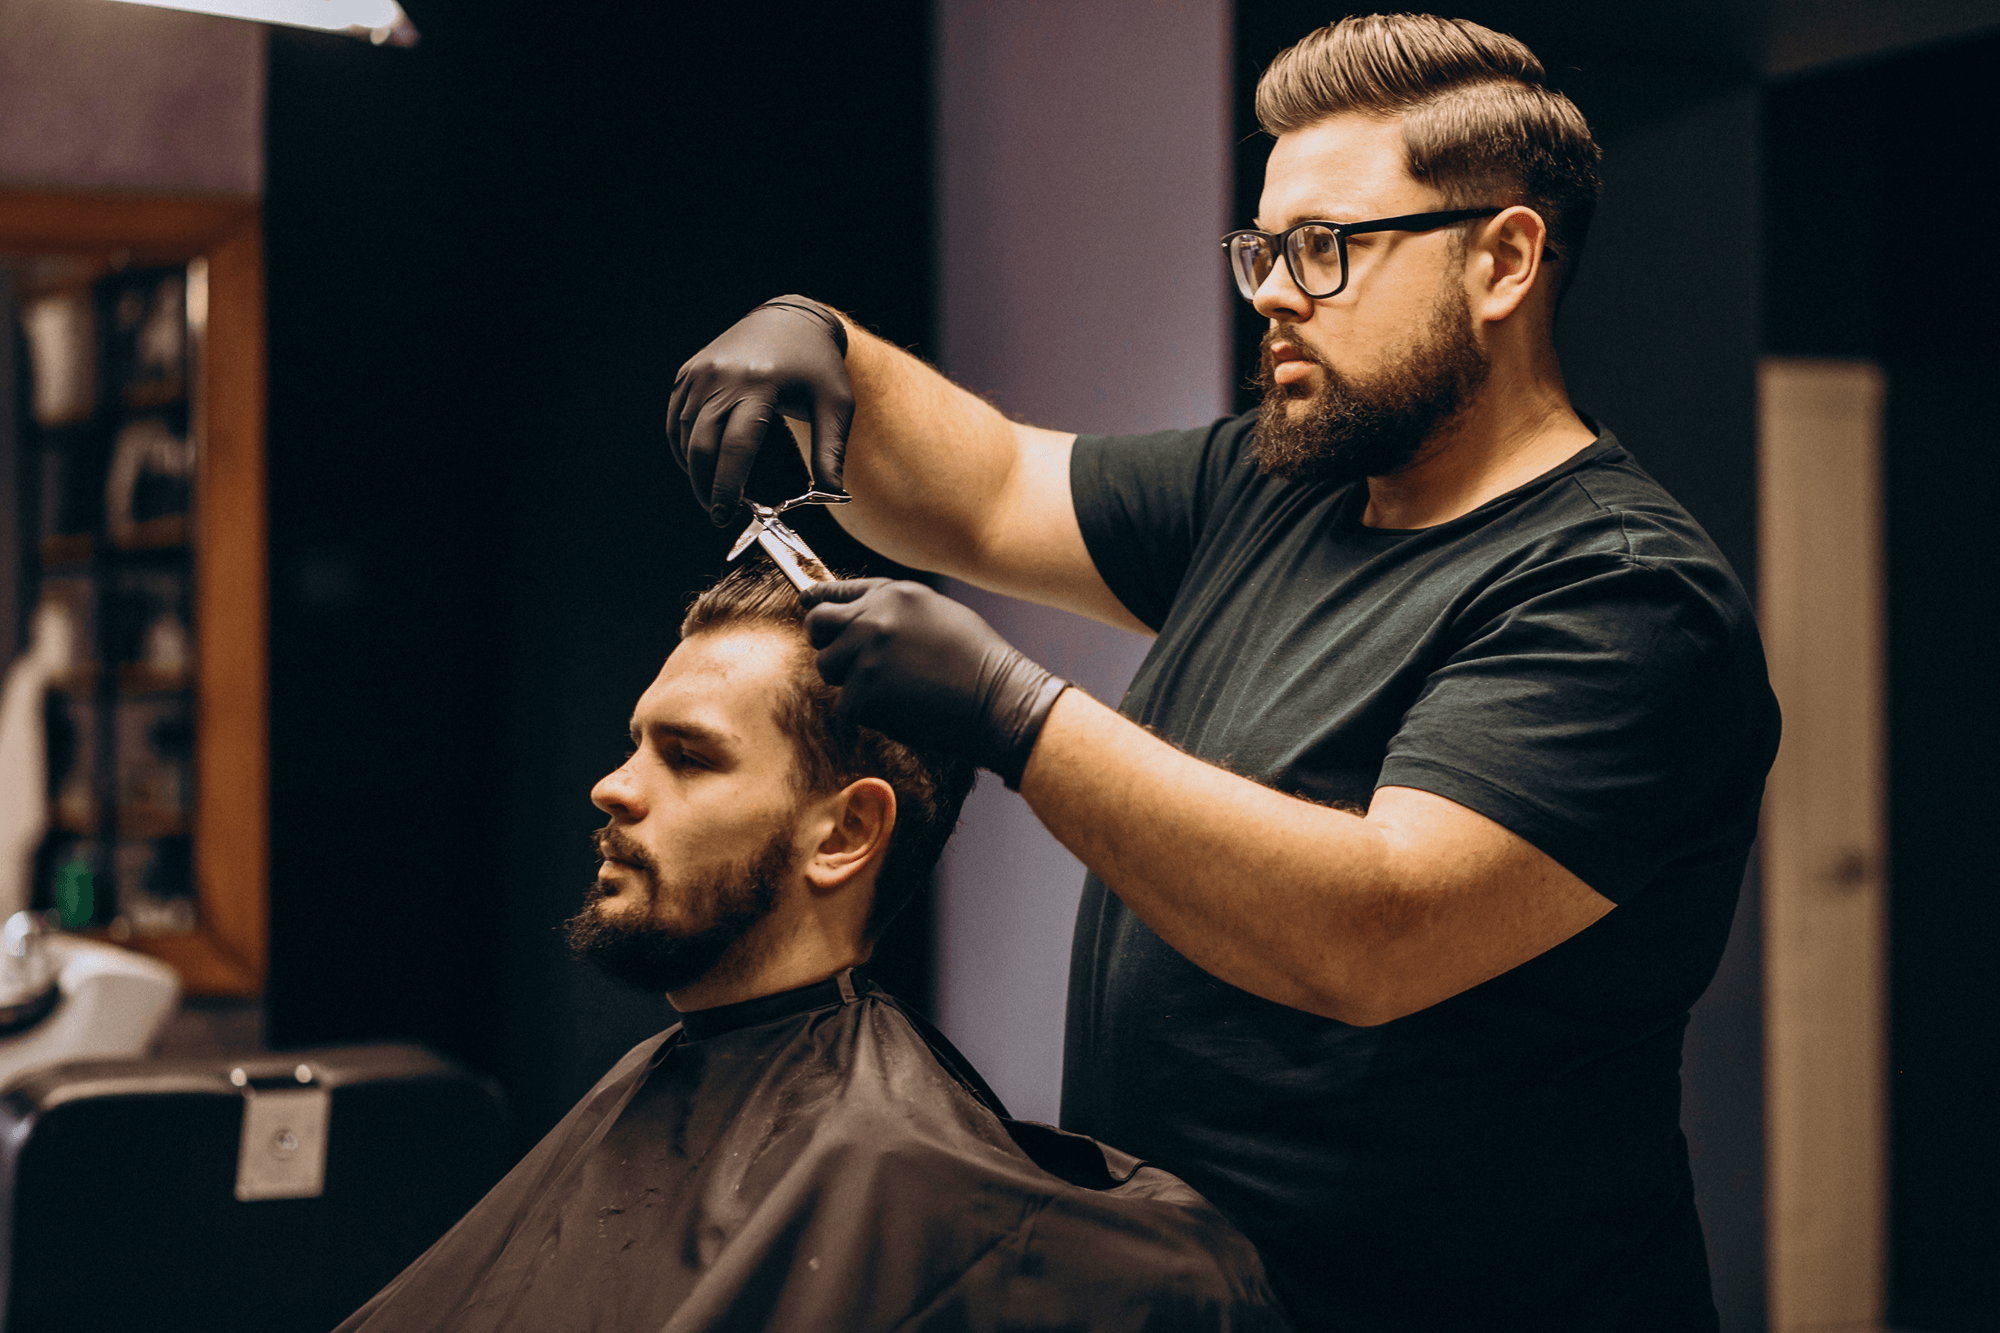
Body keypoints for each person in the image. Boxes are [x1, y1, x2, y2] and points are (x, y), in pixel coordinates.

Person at [666, 14, 1780, 1331]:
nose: (1270, 292)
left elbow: (1378, 927)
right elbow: (994, 485)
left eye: (1325, 250)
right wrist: (827, 347)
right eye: (1264, 248)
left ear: (1504, 260)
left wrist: (1016, 714)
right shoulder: (1272, 482)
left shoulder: (1622, 594)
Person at [334, 561, 1288, 1333]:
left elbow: (1191, 1287)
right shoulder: (656, 1087)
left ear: (841, 835)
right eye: (634, 744)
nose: (612, 787)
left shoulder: (907, 1171)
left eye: (688, 755)